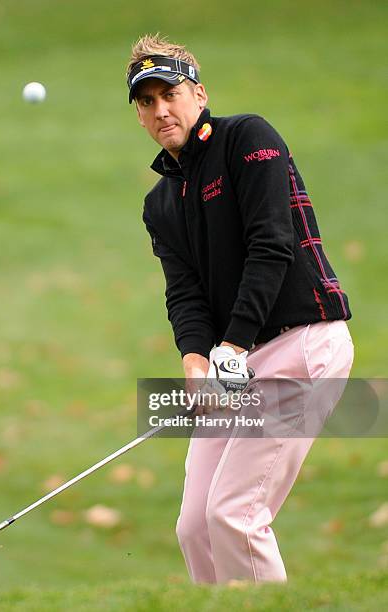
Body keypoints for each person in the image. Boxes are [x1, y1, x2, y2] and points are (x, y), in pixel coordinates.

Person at [126, 34, 354, 584]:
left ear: (198, 94)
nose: (160, 110)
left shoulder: (248, 139)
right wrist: (194, 359)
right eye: (146, 102)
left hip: (303, 345)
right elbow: (184, 292)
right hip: (236, 366)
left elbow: (272, 244)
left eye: (169, 94)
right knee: (195, 528)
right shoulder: (160, 203)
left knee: (234, 516)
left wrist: (231, 343)